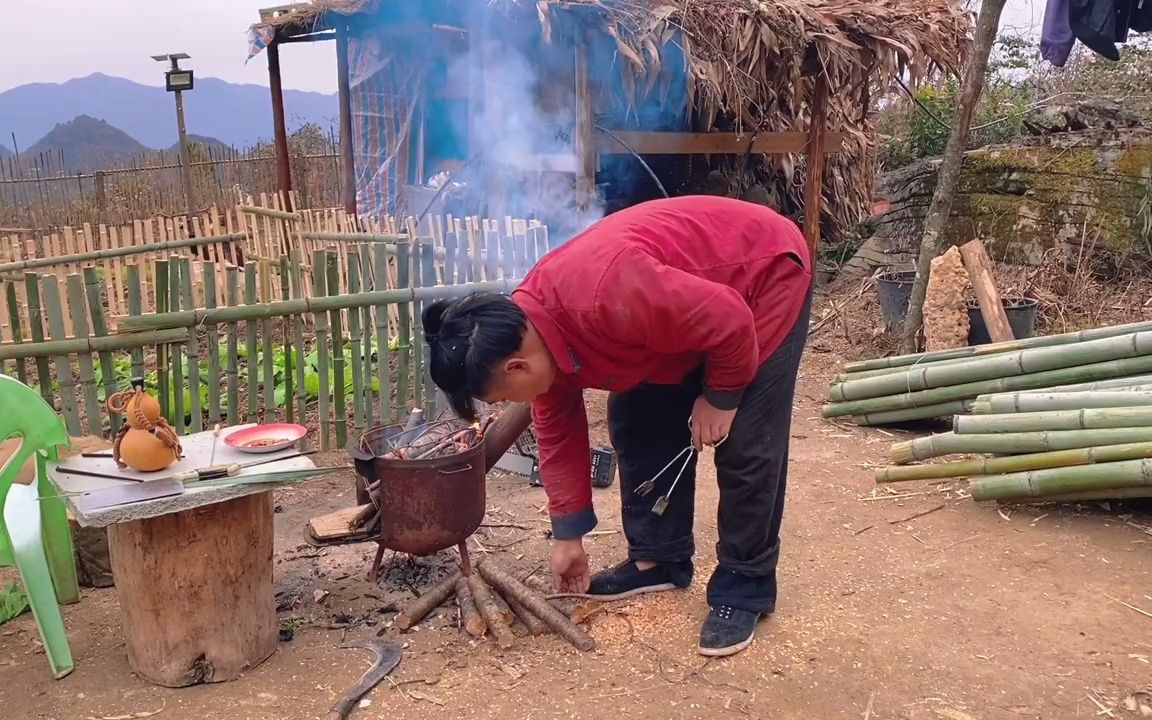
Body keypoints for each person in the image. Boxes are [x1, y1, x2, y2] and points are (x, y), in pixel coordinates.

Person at [422, 195, 812, 657]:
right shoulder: (533, 328)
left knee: (747, 442)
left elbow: (728, 318)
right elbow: (559, 433)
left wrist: (722, 396)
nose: (510, 406)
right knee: (635, 417)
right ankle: (659, 559)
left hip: (761, 276)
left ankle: (744, 584)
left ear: (516, 368)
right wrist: (568, 537)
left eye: (502, 398)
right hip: (688, 311)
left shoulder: (604, 294)